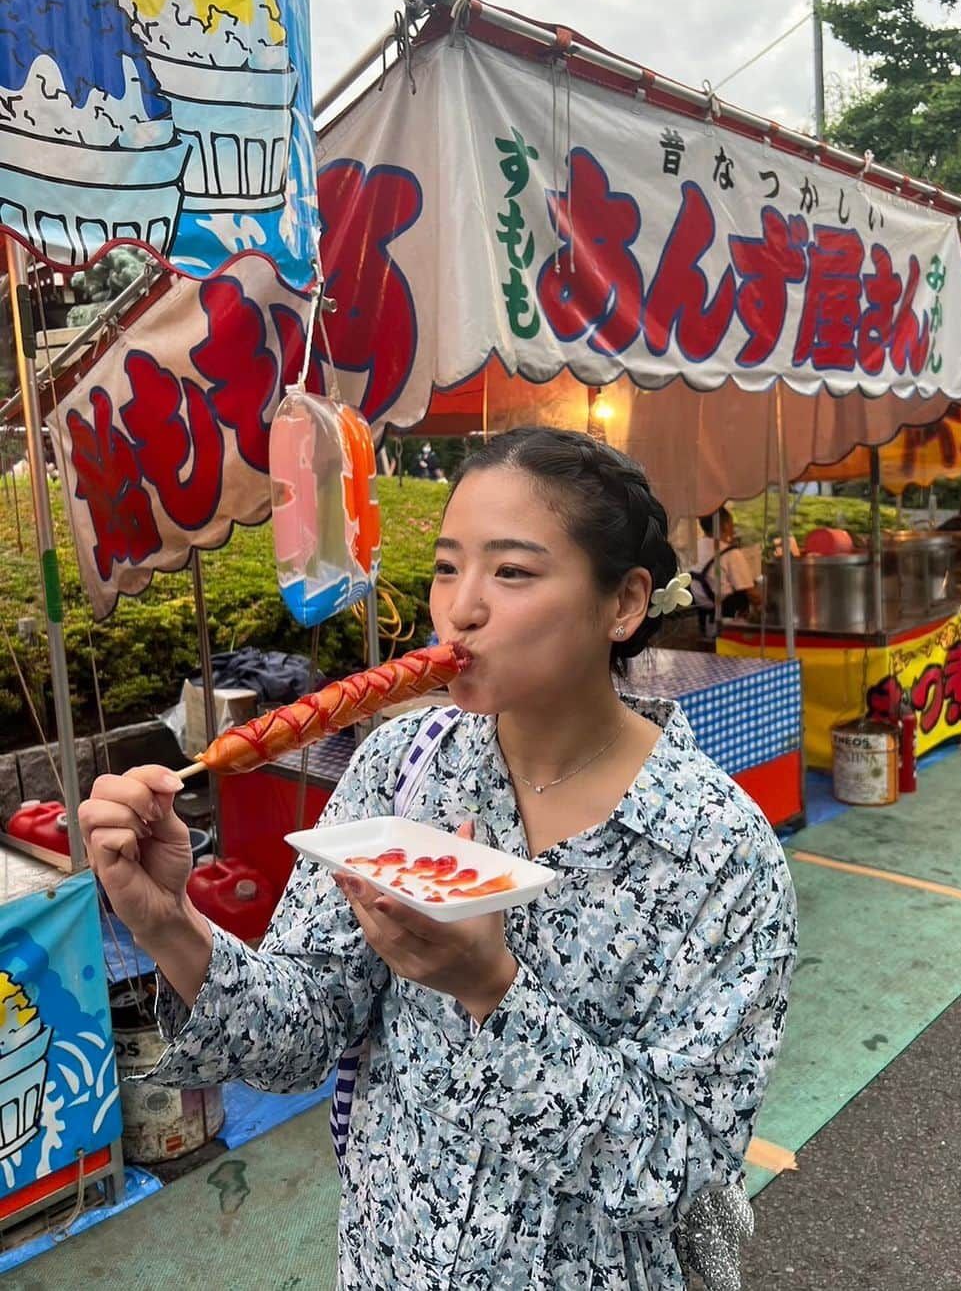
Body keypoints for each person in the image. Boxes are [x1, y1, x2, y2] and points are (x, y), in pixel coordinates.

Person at [80, 427, 796, 1291]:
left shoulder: (719, 852)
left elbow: (669, 1172)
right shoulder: (402, 767)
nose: (460, 608)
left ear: (625, 604)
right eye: (448, 567)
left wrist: (492, 990)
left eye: (513, 571)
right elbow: (301, 1037)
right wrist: (171, 925)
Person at [691, 508, 759, 624]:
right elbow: (751, 594)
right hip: (729, 619)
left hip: (703, 617)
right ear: (726, 525)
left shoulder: (694, 548)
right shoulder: (731, 554)